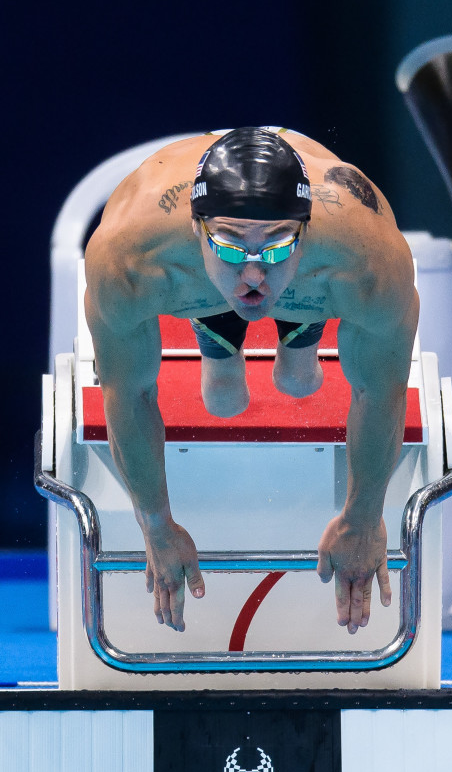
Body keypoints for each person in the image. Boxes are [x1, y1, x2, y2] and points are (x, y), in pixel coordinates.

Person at [84, 127, 419, 636]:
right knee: (221, 398)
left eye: (278, 245)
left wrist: (363, 516)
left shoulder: (367, 260)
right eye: (232, 245)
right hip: (198, 278)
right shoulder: (130, 259)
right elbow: (128, 392)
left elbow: (382, 389)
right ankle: (218, 336)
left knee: (299, 383)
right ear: (197, 228)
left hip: (306, 280)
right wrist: (155, 523)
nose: (255, 272)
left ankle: (291, 336)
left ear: (304, 232)